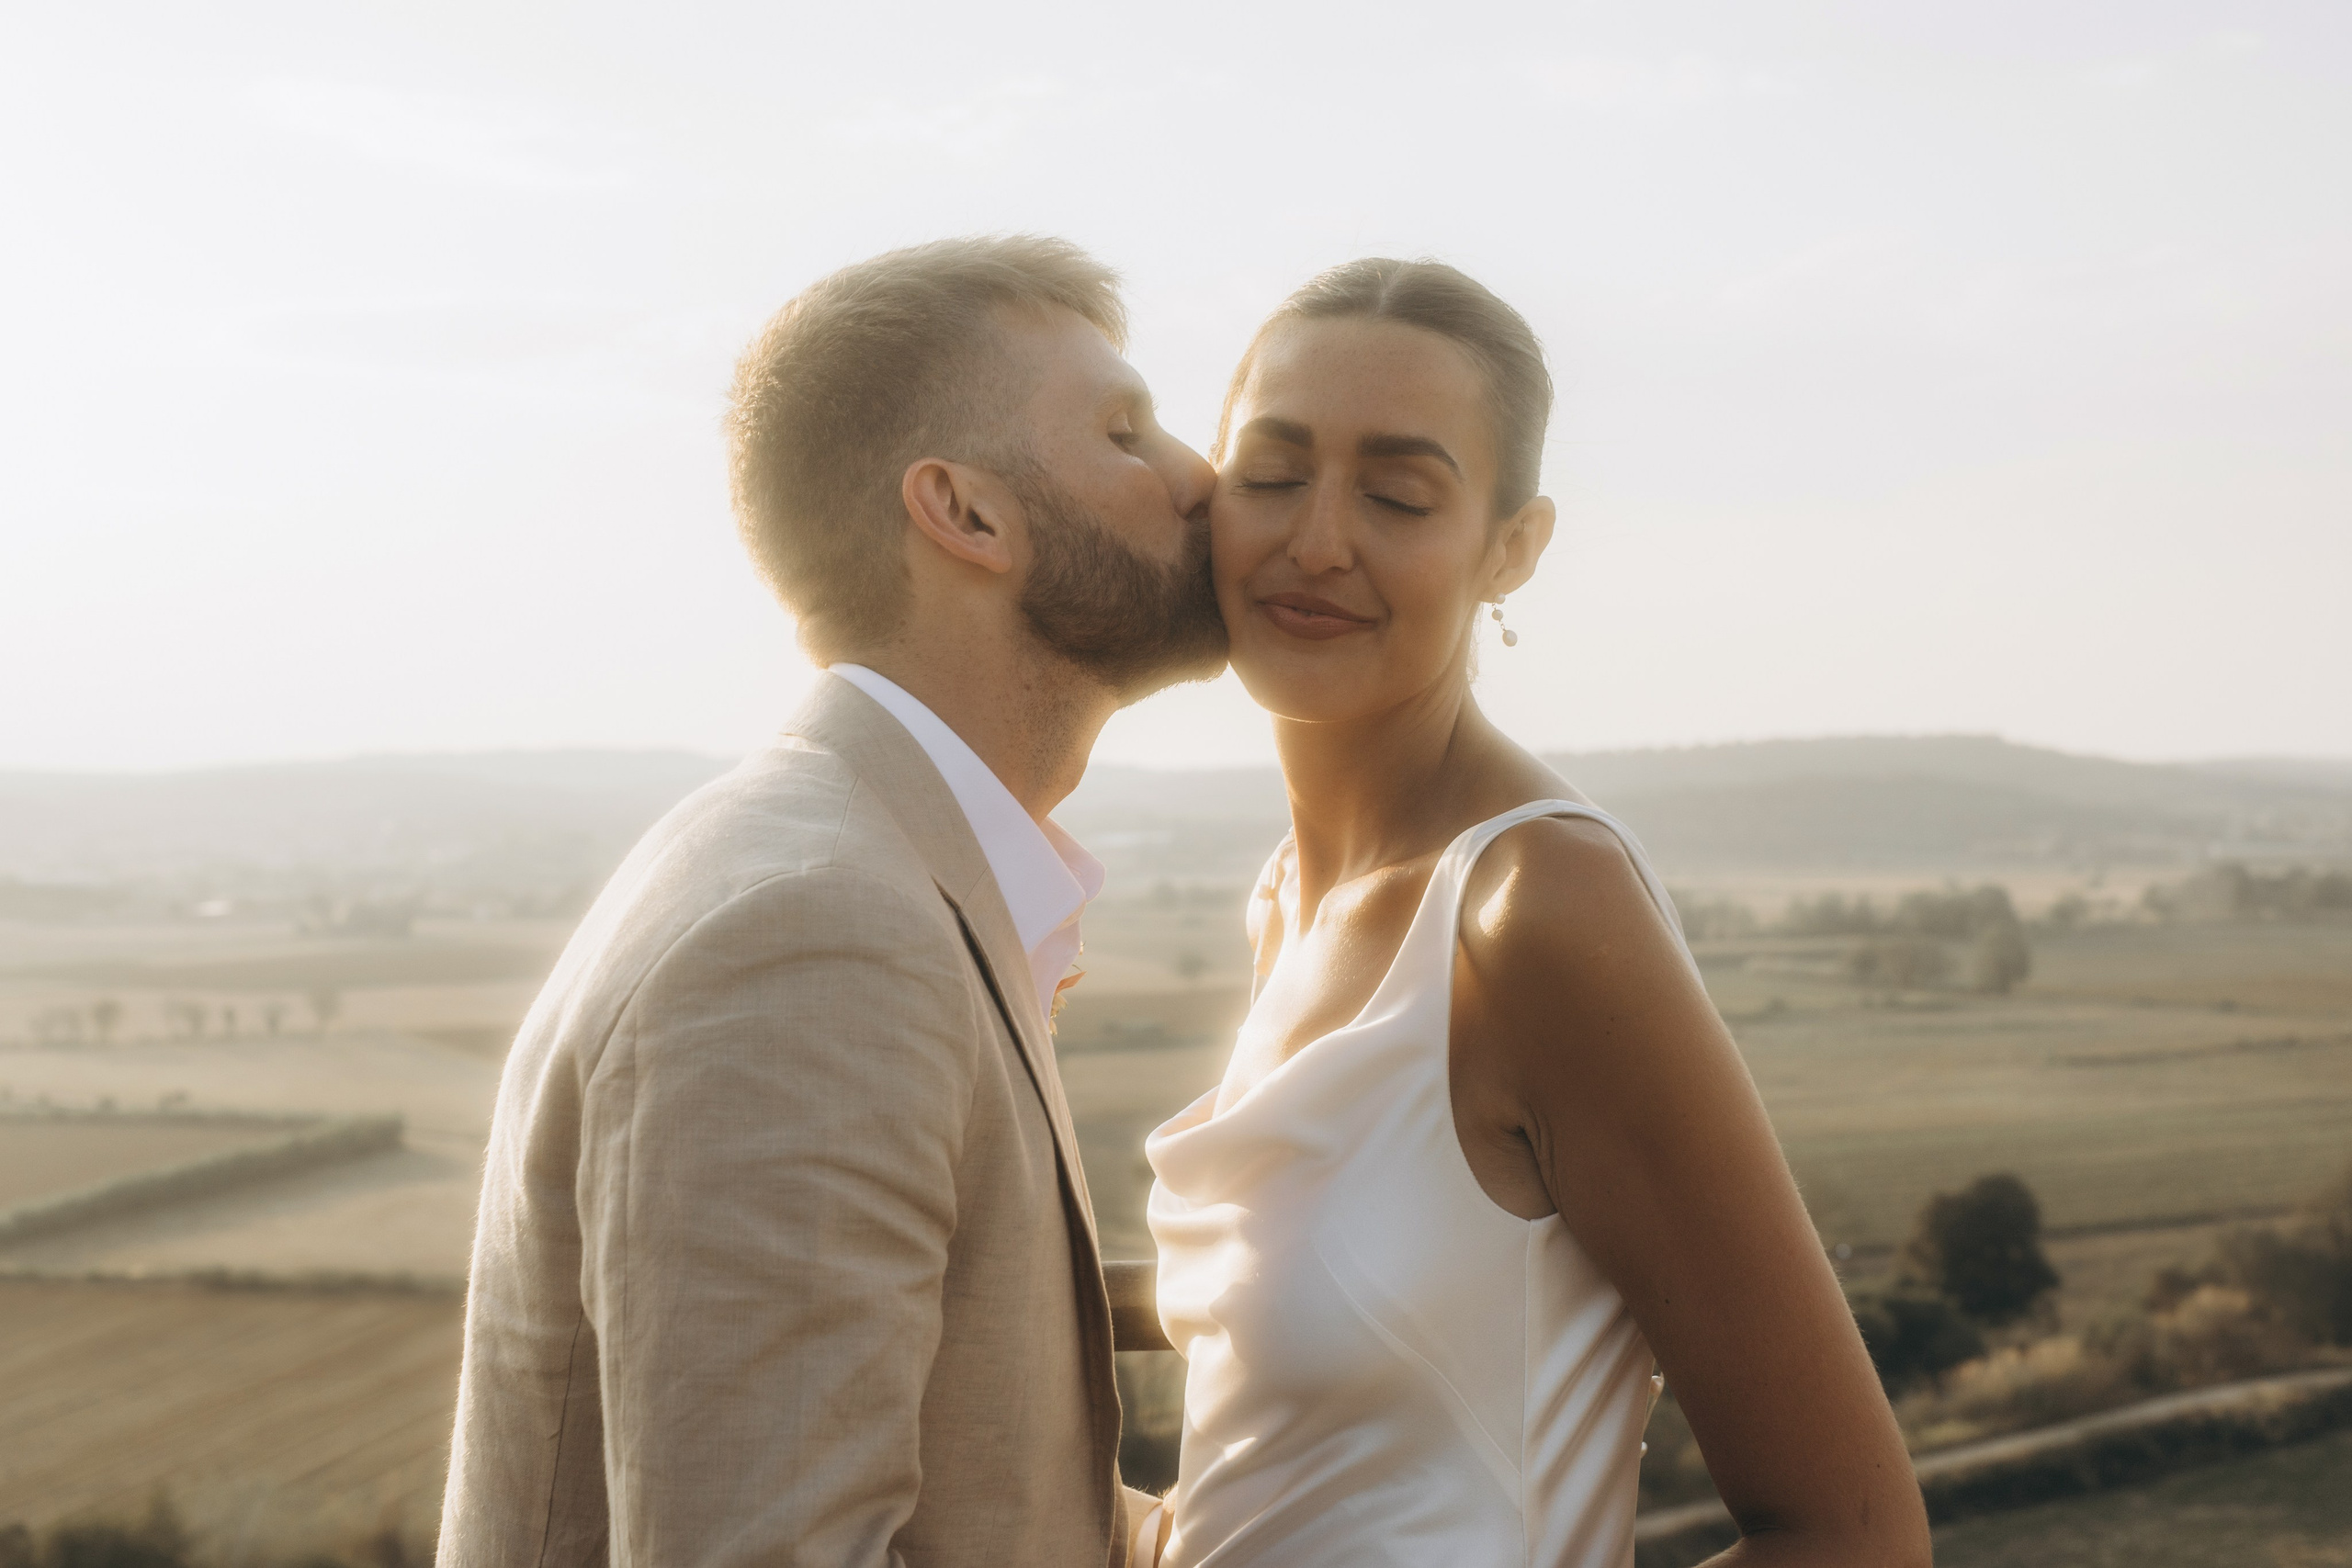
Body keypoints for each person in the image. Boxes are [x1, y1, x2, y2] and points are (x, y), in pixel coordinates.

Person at [439, 235, 1226, 1568]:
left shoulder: (860, 871)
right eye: (1125, 430)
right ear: (966, 514)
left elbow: (980, 1502)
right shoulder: (817, 937)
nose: (1204, 478)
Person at [1140, 260, 1932, 1567]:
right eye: (1272, 475)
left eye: (1399, 494)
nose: (1317, 539)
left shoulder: (1533, 911)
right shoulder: (1284, 902)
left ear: (1512, 547)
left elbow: (1853, 1538)